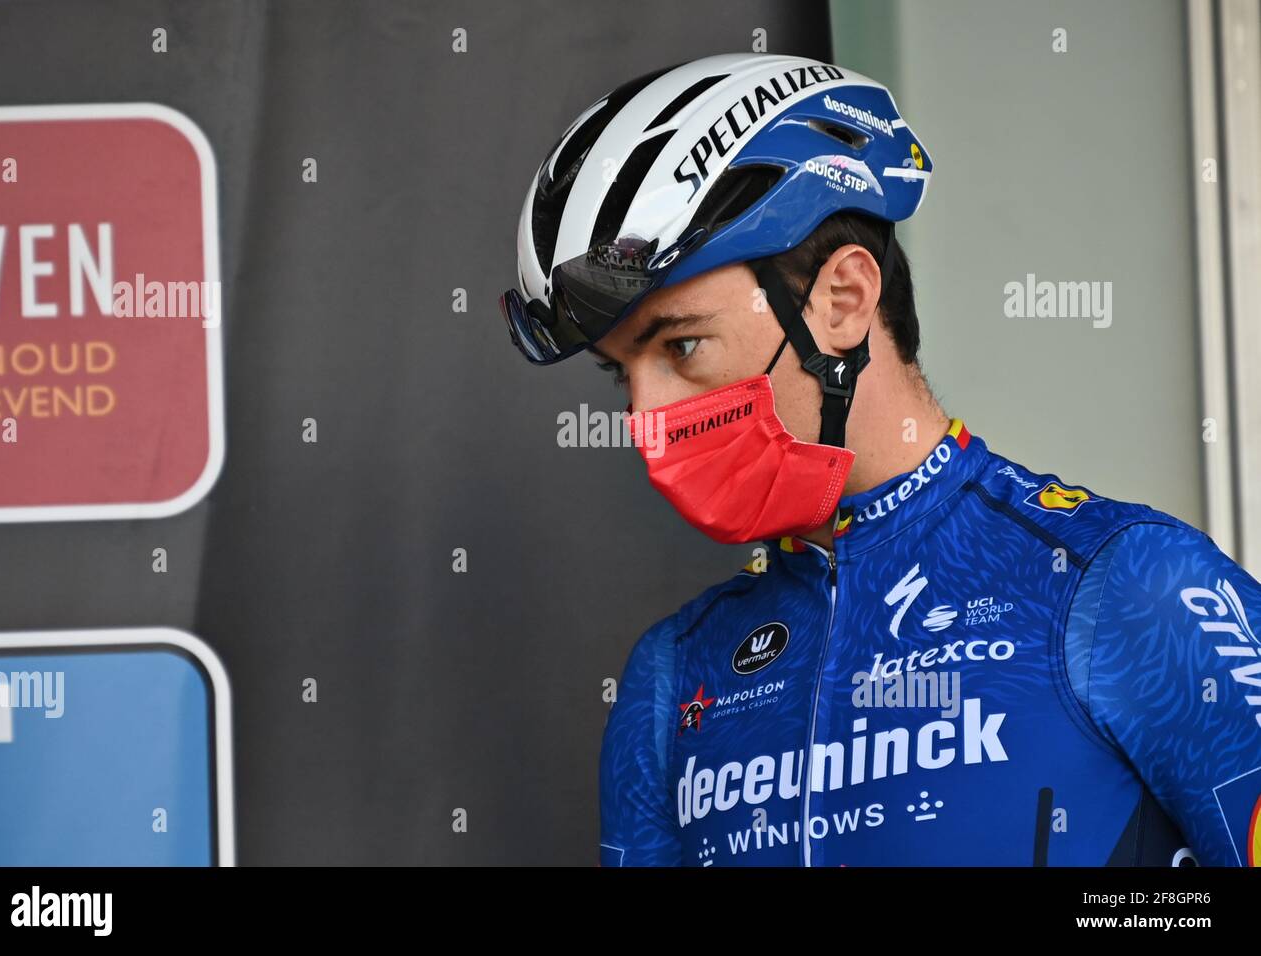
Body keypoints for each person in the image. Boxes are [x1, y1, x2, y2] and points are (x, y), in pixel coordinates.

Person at [498, 52, 1261, 866]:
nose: (644, 417)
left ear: (843, 300)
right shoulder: (671, 678)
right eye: (620, 374)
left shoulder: (1132, 588)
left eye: (681, 345)